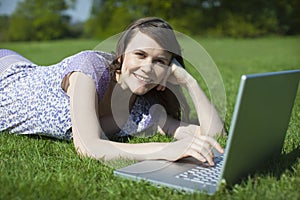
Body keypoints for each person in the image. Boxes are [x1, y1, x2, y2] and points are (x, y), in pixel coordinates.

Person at [0, 17, 225, 166]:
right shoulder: (89, 68)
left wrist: (189, 82)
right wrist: (167, 149)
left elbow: (214, 135)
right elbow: (89, 147)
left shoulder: (145, 110)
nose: (147, 67)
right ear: (121, 55)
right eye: (140, 55)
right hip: (6, 76)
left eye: (159, 61)